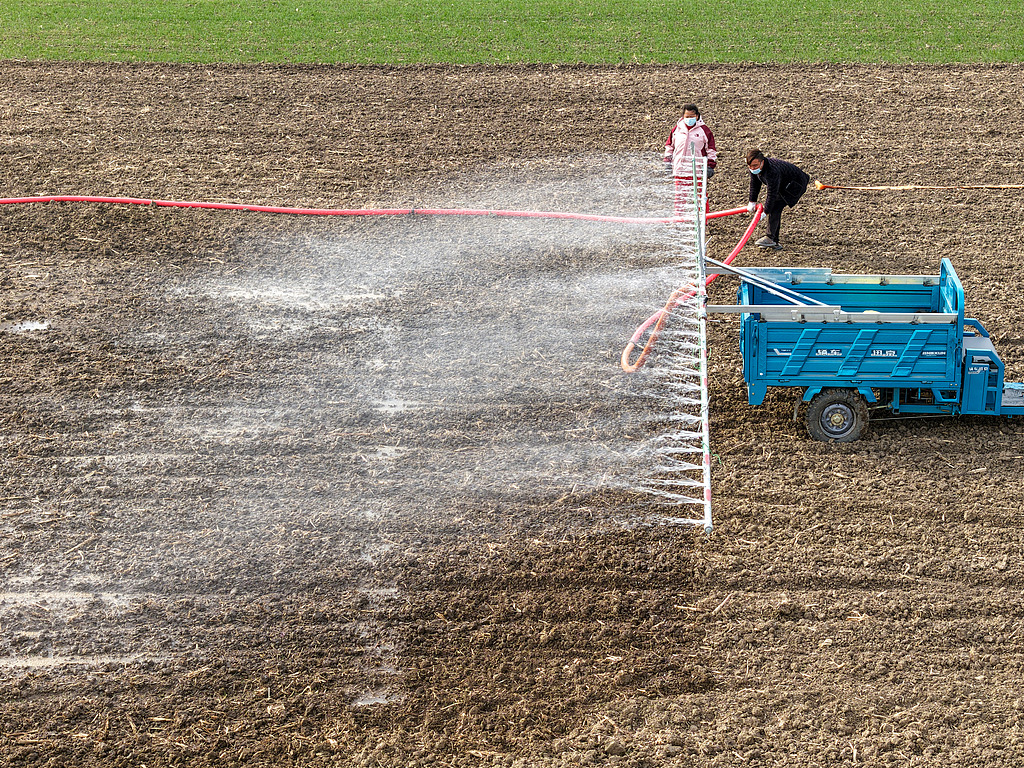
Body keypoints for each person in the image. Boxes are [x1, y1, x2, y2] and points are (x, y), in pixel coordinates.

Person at [745, 148, 810, 250]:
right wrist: (752, 201)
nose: (752, 168)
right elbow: (755, 184)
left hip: (795, 184)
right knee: (775, 206)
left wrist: (765, 211)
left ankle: (771, 238)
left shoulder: (772, 171)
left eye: (755, 166)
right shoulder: (754, 169)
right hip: (783, 184)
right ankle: (774, 241)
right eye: (750, 166)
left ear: (762, 162)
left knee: (775, 206)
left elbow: (772, 194)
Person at [664, 104, 717, 215]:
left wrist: (710, 165)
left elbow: (711, 149)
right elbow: (670, 145)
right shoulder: (677, 129)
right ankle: (678, 218)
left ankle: (703, 219)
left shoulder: (704, 131)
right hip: (680, 169)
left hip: (697, 170)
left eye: (692, 116)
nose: (689, 119)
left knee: (700, 197)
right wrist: (668, 160)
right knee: (679, 196)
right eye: (687, 117)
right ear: (683, 116)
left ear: (697, 116)